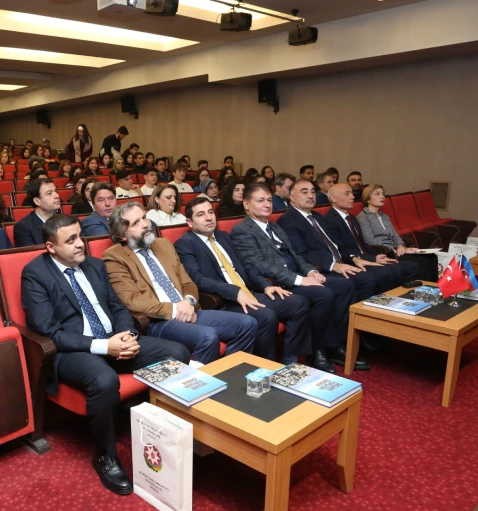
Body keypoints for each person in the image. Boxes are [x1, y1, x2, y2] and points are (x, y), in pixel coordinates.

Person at [21, 213, 189, 495]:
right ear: (51, 247)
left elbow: (118, 307)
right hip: (73, 349)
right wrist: (103, 346)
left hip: (114, 339)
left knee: (177, 352)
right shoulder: (35, 274)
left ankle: (163, 430)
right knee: (104, 380)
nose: (80, 244)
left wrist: (127, 336)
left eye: (80, 236)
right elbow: (50, 332)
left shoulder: (95, 266)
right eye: (70, 240)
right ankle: (105, 456)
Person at [230, 183, 366, 373]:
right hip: (279, 282)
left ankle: (334, 344)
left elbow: (296, 256)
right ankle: (316, 351)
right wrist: (300, 280)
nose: (267, 205)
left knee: (344, 286)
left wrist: (310, 272)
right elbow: (259, 265)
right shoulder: (243, 230)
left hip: (297, 275)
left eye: (269, 200)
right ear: (246, 204)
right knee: (324, 295)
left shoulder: (275, 227)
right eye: (260, 201)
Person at [103, 202, 256, 364]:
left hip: (189, 309)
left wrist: (189, 302)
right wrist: (175, 309)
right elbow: (132, 301)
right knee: (207, 337)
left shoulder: (164, 244)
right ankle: (199, 379)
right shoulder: (114, 257)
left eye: (144, 218)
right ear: (122, 235)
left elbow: (187, 283)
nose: (145, 224)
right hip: (158, 320)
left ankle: (228, 370)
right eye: (136, 223)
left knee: (247, 324)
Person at [175, 198, 310, 363]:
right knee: (266, 316)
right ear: (190, 222)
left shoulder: (223, 236)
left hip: (248, 291)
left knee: (298, 303)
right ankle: (266, 366)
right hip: (224, 300)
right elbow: (198, 279)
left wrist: (265, 285)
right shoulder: (185, 244)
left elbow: (245, 266)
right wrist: (235, 292)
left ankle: (290, 360)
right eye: (201, 215)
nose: (209, 218)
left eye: (210, 212)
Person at [277, 179, 380, 305]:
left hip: (340, 262)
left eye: (312, 192)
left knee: (373, 274)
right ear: (292, 197)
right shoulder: (287, 220)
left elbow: (336, 244)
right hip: (321, 269)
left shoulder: (317, 216)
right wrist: (333, 265)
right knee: (361, 280)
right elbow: (300, 254)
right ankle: (354, 316)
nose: (310, 196)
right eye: (304, 192)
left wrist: (353, 258)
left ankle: (367, 314)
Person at [322, 183, 419, 289]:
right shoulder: (328, 220)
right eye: (347, 194)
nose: (352, 197)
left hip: (365, 256)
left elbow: (363, 243)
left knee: (411, 267)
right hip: (352, 261)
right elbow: (341, 250)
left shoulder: (351, 218)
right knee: (391, 271)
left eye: (352, 193)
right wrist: (371, 258)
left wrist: (376, 256)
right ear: (334, 198)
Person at [357, 185, 438, 280]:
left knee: (432, 257)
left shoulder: (384, 216)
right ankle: (425, 288)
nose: (382, 197)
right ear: (367, 199)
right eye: (377, 194)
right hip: (384, 252)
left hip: (395, 251)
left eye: (383, 194)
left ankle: (436, 287)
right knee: (422, 261)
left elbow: (395, 235)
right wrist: (393, 249)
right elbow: (369, 240)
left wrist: (401, 246)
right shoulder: (363, 217)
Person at [14, 179, 61, 248]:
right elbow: (32, 254)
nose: (57, 195)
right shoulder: (24, 227)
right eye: (49, 193)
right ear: (37, 201)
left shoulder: (65, 220)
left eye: (55, 191)